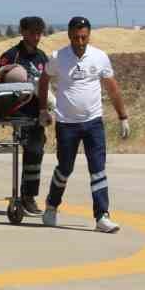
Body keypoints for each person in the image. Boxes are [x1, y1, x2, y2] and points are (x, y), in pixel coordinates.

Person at [36, 16, 131, 233]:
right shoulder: (58, 57)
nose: (80, 41)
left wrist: (123, 116)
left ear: (89, 36)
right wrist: (43, 110)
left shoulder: (99, 57)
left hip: (93, 123)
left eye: (84, 37)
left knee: (98, 169)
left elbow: (112, 88)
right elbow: (43, 81)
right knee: (64, 168)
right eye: (76, 37)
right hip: (67, 123)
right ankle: (51, 206)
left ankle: (102, 216)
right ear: (69, 35)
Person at [0, 16, 50, 214]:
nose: (36, 37)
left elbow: (47, 85)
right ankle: (23, 197)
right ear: (23, 32)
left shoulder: (42, 58)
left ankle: (28, 196)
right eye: (32, 32)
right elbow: (0, 82)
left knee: (36, 152)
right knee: (30, 149)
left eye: (39, 33)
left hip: (36, 113)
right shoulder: (11, 56)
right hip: (17, 112)